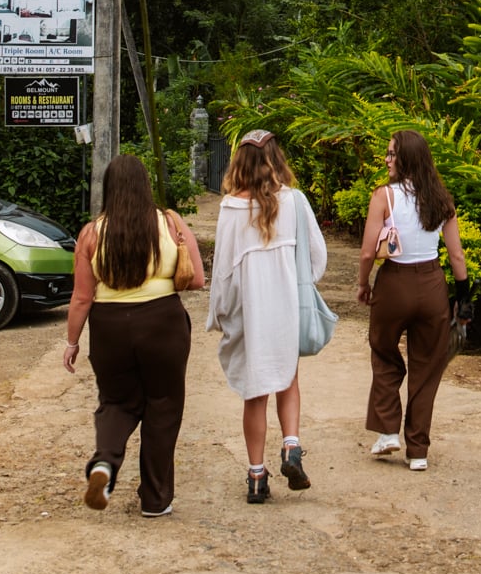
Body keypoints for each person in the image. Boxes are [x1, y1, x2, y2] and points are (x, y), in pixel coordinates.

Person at [64, 153, 205, 517]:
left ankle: (104, 465)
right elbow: (200, 279)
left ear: (108, 189)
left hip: (109, 326)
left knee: (116, 401)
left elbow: (82, 297)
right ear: (145, 186)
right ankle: (155, 500)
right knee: (163, 405)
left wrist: (72, 342)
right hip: (163, 322)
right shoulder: (170, 222)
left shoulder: (92, 233)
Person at [206, 128, 326, 504]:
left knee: (255, 394)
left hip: (249, 312)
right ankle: (291, 448)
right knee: (288, 378)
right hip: (285, 307)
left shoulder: (229, 208)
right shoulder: (295, 202)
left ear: (238, 163)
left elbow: (223, 272)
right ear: (277, 160)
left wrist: (220, 315)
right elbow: (316, 257)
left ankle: (257, 477)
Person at [356, 129, 470, 471]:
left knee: (384, 351)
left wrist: (364, 284)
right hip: (432, 284)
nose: (387, 160)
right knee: (427, 366)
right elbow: (457, 256)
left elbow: (366, 252)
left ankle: (389, 430)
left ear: (405, 158)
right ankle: (418, 451)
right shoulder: (441, 199)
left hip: (394, 283)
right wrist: (463, 299)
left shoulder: (384, 197)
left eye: (392, 154)